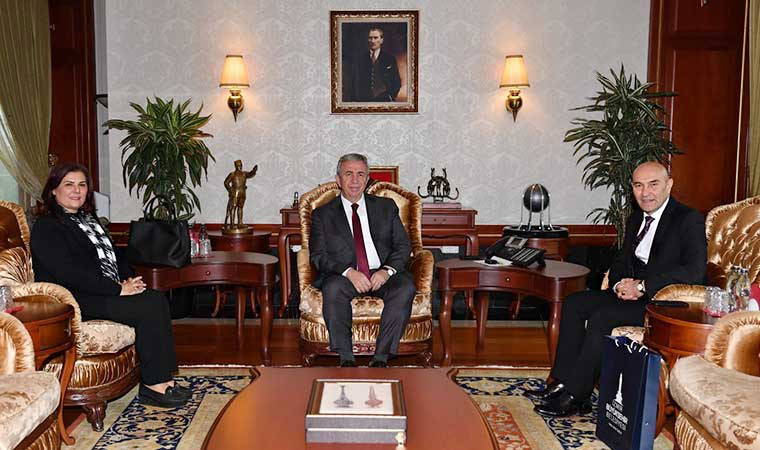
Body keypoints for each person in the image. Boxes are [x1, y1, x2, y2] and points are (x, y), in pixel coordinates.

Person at [528, 161, 707, 417]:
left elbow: (694, 271)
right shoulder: (636, 218)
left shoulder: (688, 219)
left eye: (653, 184)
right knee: (574, 303)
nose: (645, 193)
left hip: (663, 303)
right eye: (638, 185)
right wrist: (619, 284)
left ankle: (577, 395)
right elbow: (622, 261)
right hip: (633, 295)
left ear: (669, 185)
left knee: (603, 317)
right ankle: (561, 381)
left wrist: (643, 286)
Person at [30, 162, 191, 408]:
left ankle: (162, 380)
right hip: (73, 300)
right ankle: (154, 385)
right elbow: (69, 273)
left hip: (100, 291)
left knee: (154, 298)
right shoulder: (47, 226)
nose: (77, 190)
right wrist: (117, 289)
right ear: (53, 190)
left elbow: (113, 255)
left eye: (82, 184)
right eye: (69, 184)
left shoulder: (88, 219)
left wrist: (128, 280)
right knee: (150, 305)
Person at [309, 153, 415, 367]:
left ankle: (382, 357)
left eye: (360, 174)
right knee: (333, 288)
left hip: (382, 272)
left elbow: (403, 246)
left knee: (405, 287)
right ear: (338, 180)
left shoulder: (386, 207)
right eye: (348, 174)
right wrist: (349, 272)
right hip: (344, 275)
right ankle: (346, 357)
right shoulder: (323, 214)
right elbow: (318, 256)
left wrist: (386, 271)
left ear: (367, 179)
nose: (355, 180)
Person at [346, 27, 401, 102]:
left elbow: (396, 81)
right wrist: (355, 100)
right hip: (364, 100)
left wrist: (391, 96)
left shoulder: (389, 58)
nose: (372, 41)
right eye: (370, 38)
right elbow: (354, 81)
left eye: (375, 38)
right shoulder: (360, 59)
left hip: (384, 99)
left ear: (381, 40)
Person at [223, 159, 258, 232]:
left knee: (240, 207)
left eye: (241, 165)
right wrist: (230, 190)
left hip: (242, 193)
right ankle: (232, 224)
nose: (240, 167)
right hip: (235, 193)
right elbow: (226, 182)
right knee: (233, 208)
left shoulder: (244, 174)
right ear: (235, 166)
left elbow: (250, 174)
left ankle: (240, 223)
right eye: (238, 165)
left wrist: (254, 170)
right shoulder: (232, 174)